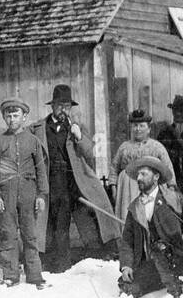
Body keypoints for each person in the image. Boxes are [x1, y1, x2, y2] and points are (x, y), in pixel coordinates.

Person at [30, 84, 117, 274]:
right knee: (47, 224)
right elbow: (16, 136)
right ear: (52, 106)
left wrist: (79, 137)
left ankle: (64, 266)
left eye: (67, 106)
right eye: (60, 105)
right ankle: (46, 264)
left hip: (72, 182)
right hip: (47, 181)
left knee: (67, 223)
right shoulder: (38, 128)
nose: (64, 110)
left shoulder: (77, 128)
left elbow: (90, 154)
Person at [0, 98, 48, 289]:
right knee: (8, 234)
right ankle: (10, 275)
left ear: (24, 117)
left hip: (29, 192)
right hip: (6, 194)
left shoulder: (33, 141)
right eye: (8, 115)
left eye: (16, 115)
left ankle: (35, 275)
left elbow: (41, 171)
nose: (12, 119)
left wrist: (42, 195)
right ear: (4, 117)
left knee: (30, 234)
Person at [117, 157, 183, 298]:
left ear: (156, 177)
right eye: (138, 175)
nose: (139, 178)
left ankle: (175, 289)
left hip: (175, 260)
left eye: (144, 174)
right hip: (149, 264)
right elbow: (127, 240)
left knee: (159, 250)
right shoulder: (134, 207)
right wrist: (126, 266)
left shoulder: (173, 199)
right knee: (126, 286)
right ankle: (160, 281)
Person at [111, 109, 176, 224]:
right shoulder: (124, 147)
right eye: (135, 126)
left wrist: (171, 187)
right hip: (127, 189)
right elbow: (114, 168)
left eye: (142, 126)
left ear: (149, 129)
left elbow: (168, 167)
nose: (138, 129)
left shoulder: (157, 147)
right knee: (129, 218)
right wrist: (114, 187)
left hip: (150, 187)